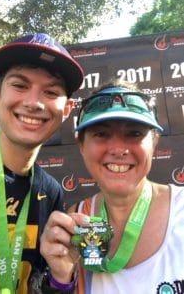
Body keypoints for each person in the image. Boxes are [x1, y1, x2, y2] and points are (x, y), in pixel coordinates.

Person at [0, 33, 84, 294]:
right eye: (20, 85)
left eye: (51, 91)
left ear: (66, 109)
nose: (33, 102)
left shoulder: (50, 192)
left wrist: (61, 278)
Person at [40, 80, 184, 294]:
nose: (118, 149)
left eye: (134, 133)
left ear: (154, 142)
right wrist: (61, 279)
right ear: (81, 145)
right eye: (101, 134)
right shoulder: (74, 222)